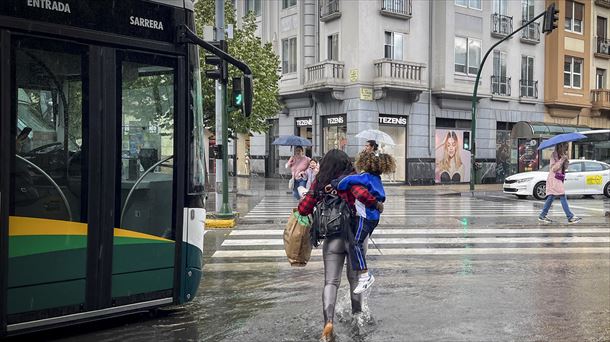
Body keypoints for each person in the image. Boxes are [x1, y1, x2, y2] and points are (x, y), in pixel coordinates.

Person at [297, 149, 383, 342]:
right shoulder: (353, 179)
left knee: (330, 282)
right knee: (355, 280)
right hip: (355, 238)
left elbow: (303, 210)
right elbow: (363, 196)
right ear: (347, 163)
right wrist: (376, 204)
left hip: (332, 237)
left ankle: (328, 323)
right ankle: (358, 317)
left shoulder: (320, 182)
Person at [335, 151, 396, 294]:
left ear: (364, 164)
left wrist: (336, 183)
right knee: (358, 243)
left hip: (365, 216)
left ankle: (365, 275)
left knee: (355, 244)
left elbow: (344, 183)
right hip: (374, 218)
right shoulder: (376, 178)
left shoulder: (364, 177)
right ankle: (363, 274)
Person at [538, 142, 581, 224]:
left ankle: (542, 215)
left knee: (551, 197)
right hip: (554, 178)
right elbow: (554, 168)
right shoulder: (554, 155)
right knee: (562, 195)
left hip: (558, 178)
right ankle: (570, 216)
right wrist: (561, 160)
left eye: (566, 147)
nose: (565, 149)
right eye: (564, 147)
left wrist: (566, 161)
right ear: (560, 146)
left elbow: (564, 168)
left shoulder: (562, 155)